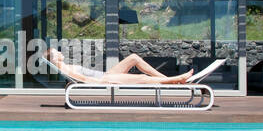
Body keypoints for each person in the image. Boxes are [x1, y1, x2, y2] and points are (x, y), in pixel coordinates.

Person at [46, 47, 196, 85]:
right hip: (104, 79)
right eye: (55, 52)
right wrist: (104, 83)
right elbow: (84, 79)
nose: (59, 52)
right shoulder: (64, 68)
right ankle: (177, 79)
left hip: (105, 75)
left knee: (134, 58)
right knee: (141, 78)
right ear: (53, 59)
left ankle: (170, 81)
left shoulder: (65, 65)